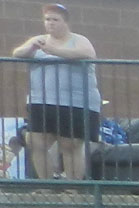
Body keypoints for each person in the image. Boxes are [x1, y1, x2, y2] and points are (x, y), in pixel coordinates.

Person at [13, 3, 98, 180]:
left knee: (70, 144)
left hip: (75, 102)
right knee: (35, 141)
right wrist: (31, 48)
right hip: (41, 100)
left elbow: (88, 53)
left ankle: (72, 189)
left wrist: (54, 50)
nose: (50, 23)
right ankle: (46, 185)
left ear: (65, 22)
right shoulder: (39, 40)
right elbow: (17, 53)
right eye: (47, 19)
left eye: (55, 19)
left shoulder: (79, 40)